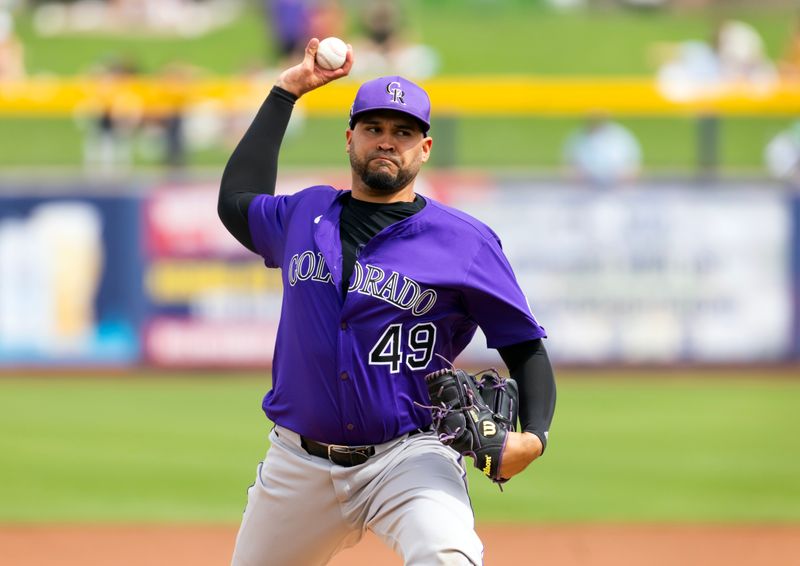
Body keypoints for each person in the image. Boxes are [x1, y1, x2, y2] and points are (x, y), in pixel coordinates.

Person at [218, 38, 556, 565]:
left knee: (447, 557)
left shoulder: (464, 241)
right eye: (373, 128)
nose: (386, 142)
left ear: (424, 148)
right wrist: (286, 92)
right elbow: (235, 203)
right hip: (297, 461)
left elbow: (523, 345)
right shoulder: (303, 216)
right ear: (350, 138)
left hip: (409, 453)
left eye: (403, 132)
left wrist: (532, 439)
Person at [563, 114, 642, 187]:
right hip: (588, 183)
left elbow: (633, 161)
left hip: (617, 183)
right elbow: (568, 162)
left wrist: (627, 174)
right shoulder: (577, 137)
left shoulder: (621, 135)